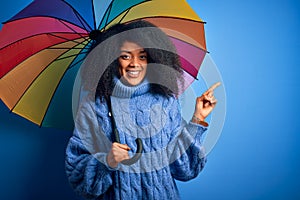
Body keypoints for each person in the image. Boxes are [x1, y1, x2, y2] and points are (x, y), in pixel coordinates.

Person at [65, 20, 220, 199]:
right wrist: (107, 160)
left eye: (142, 56)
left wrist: (197, 119)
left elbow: (185, 170)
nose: (134, 64)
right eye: (125, 56)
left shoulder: (165, 100)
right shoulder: (94, 106)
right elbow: (78, 176)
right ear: (112, 60)